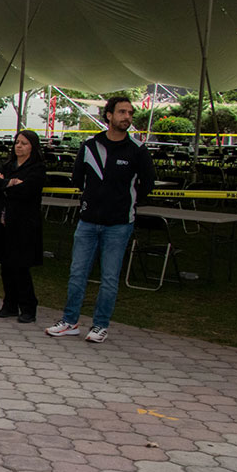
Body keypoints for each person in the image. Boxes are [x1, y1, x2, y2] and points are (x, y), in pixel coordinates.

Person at [45, 96, 155, 343]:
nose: (127, 116)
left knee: (109, 277)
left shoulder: (137, 150)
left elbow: (147, 184)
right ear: (109, 116)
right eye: (122, 112)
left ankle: (100, 325)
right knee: (77, 273)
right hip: (88, 222)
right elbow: (77, 179)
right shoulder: (90, 145)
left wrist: (126, 203)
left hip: (119, 224)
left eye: (130, 112)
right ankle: (70, 321)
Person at [0, 130, 46, 323]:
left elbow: (27, 190)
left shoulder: (36, 168)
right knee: (6, 266)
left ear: (32, 147)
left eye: (24, 143)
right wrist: (9, 183)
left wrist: (6, 187)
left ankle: (28, 306)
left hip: (23, 224)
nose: (19, 146)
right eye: (17, 142)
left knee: (20, 267)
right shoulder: (7, 165)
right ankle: (10, 304)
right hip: (4, 223)